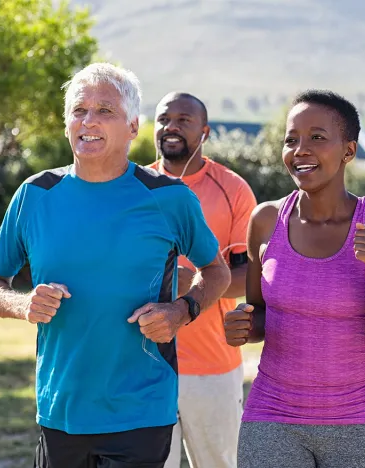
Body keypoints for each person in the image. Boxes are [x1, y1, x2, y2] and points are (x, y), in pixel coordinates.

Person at [0, 63, 231, 468]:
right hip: (61, 410)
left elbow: (217, 271)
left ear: (132, 126)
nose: (89, 121)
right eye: (79, 110)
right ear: (66, 124)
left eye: (105, 111)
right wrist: (23, 305)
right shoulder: (35, 195)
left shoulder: (169, 198)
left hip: (142, 409)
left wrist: (182, 310)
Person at [223, 89, 365, 468]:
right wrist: (242, 323)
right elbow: (259, 318)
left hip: (360, 424)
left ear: (348, 151)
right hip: (272, 417)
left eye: (317, 137)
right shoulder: (265, 221)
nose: (300, 149)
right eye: (291, 139)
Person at [149, 92, 257, 468]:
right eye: (164, 119)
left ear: (205, 131)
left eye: (183, 119)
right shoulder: (133, 188)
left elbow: (250, 277)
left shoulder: (233, 190)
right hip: (143, 364)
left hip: (212, 364)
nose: (171, 127)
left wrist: (193, 284)